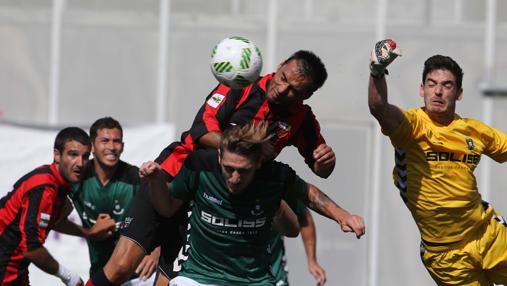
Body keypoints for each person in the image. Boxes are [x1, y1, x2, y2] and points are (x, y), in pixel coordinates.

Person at [88, 50, 335, 286]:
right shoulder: (240, 83)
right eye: (283, 79)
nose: (283, 90)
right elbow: (201, 130)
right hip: (172, 176)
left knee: (166, 281)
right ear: (280, 65)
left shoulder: (301, 119)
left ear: (307, 95)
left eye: (294, 90)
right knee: (120, 268)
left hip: (208, 202)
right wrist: (250, 148)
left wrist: (325, 161)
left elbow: (320, 168)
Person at [141, 122, 365, 286]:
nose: (235, 178)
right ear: (219, 157)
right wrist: (156, 181)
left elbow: (309, 195)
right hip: (199, 277)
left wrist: (343, 216)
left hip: (254, 280)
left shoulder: (275, 176)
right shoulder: (200, 166)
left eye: (244, 171)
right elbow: (167, 208)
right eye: (229, 168)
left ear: (258, 163)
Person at [368, 39, 507, 285]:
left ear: (459, 93)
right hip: (445, 255)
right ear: (422, 89)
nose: (438, 91)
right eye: (432, 85)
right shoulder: (411, 125)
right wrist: (377, 72)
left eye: (447, 85)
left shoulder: (474, 130)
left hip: (487, 233)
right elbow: (379, 108)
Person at [67, 117, 159, 285]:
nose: (111, 147)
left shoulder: (136, 178)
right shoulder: (78, 178)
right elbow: (53, 214)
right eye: (105, 141)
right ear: (92, 146)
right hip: (101, 273)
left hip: (138, 276)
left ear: (122, 146)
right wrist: (88, 232)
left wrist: (157, 252)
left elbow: (165, 215)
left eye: (116, 141)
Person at [0, 127, 90, 286]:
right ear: (57, 155)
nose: (80, 163)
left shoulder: (56, 183)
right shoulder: (45, 188)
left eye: (85, 156)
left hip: (16, 271)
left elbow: (54, 223)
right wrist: (68, 276)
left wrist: (90, 232)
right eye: (73, 154)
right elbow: (31, 248)